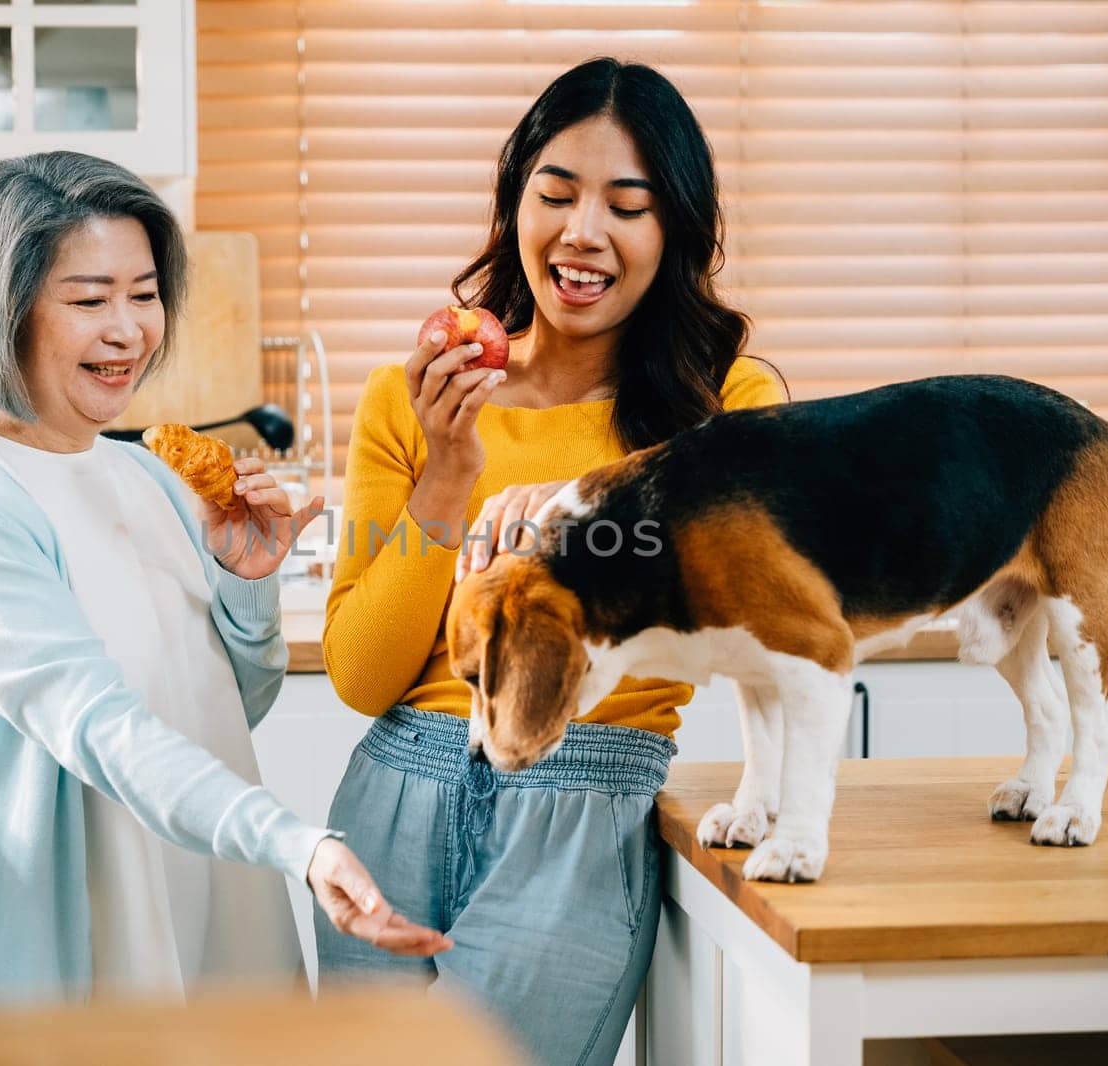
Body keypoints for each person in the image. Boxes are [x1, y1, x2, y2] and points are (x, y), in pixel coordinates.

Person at [0, 150, 449, 1006]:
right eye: (88, 300)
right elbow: (105, 730)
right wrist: (298, 845)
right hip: (67, 962)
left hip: (210, 907)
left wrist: (246, 587)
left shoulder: (147, 475)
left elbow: (220, 709)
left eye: (144, 294)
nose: (128, 331)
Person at [316, 59, 786, 1063]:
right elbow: (360, 676)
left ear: (675, 231)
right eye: (556, 193)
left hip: (583, 798)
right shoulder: (415, 397)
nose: (583, 231)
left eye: (628, 204)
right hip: (393, 795)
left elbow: (750, 612)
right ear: (513, 201)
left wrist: (588, 513)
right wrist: (448, 477)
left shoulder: (729, 404)